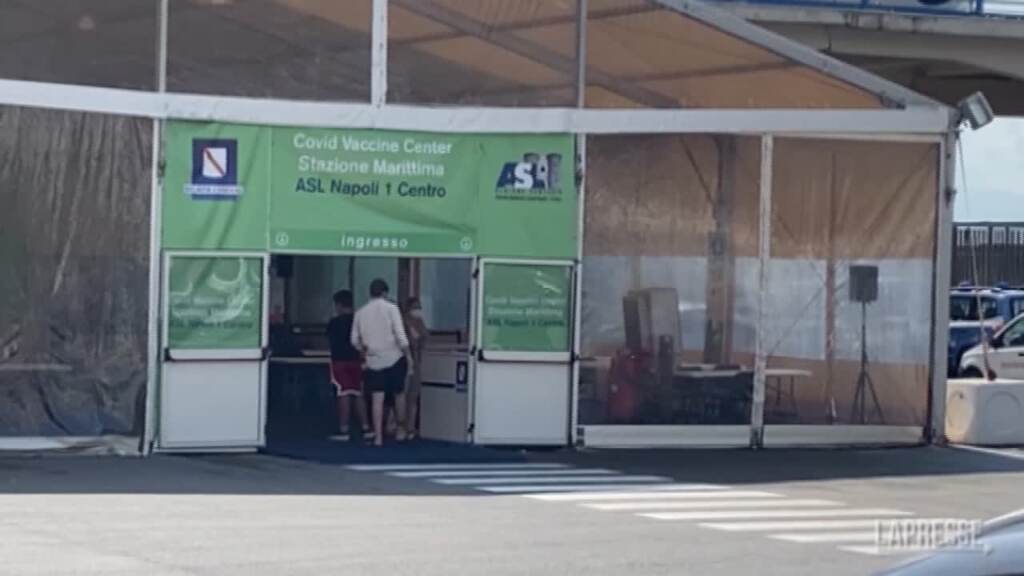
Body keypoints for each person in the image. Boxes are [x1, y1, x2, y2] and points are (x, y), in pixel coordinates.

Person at [351, 279, 414, 446]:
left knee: (377, 398)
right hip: (394, 357)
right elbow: (400, 335)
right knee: (399, 394)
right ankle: (400, 430)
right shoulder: (391, 309)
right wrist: (408, 356)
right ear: (385, 292)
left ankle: (378, 437)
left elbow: (354, 340)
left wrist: (364, 350)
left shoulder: (360, 312)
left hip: (373, 360)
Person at [326, 290, 371, 441]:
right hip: (356, 361)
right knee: (358, 393)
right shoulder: (359, 321)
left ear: (338, 305)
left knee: (343, 393)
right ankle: (366, 427)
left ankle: (344, 429)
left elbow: (329, 341)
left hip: (339, 361)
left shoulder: (334, 323)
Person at [403, 297, 429, 440]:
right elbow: (409, 341)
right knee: (401, 395)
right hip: (403, 362)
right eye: (415, 307)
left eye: (419, 307)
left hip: (416, 362)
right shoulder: (403, 322)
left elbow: (424, 339)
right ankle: (398, 425)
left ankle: (410, 428)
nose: (418, 310)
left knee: (413, 396)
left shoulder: (420, 323)